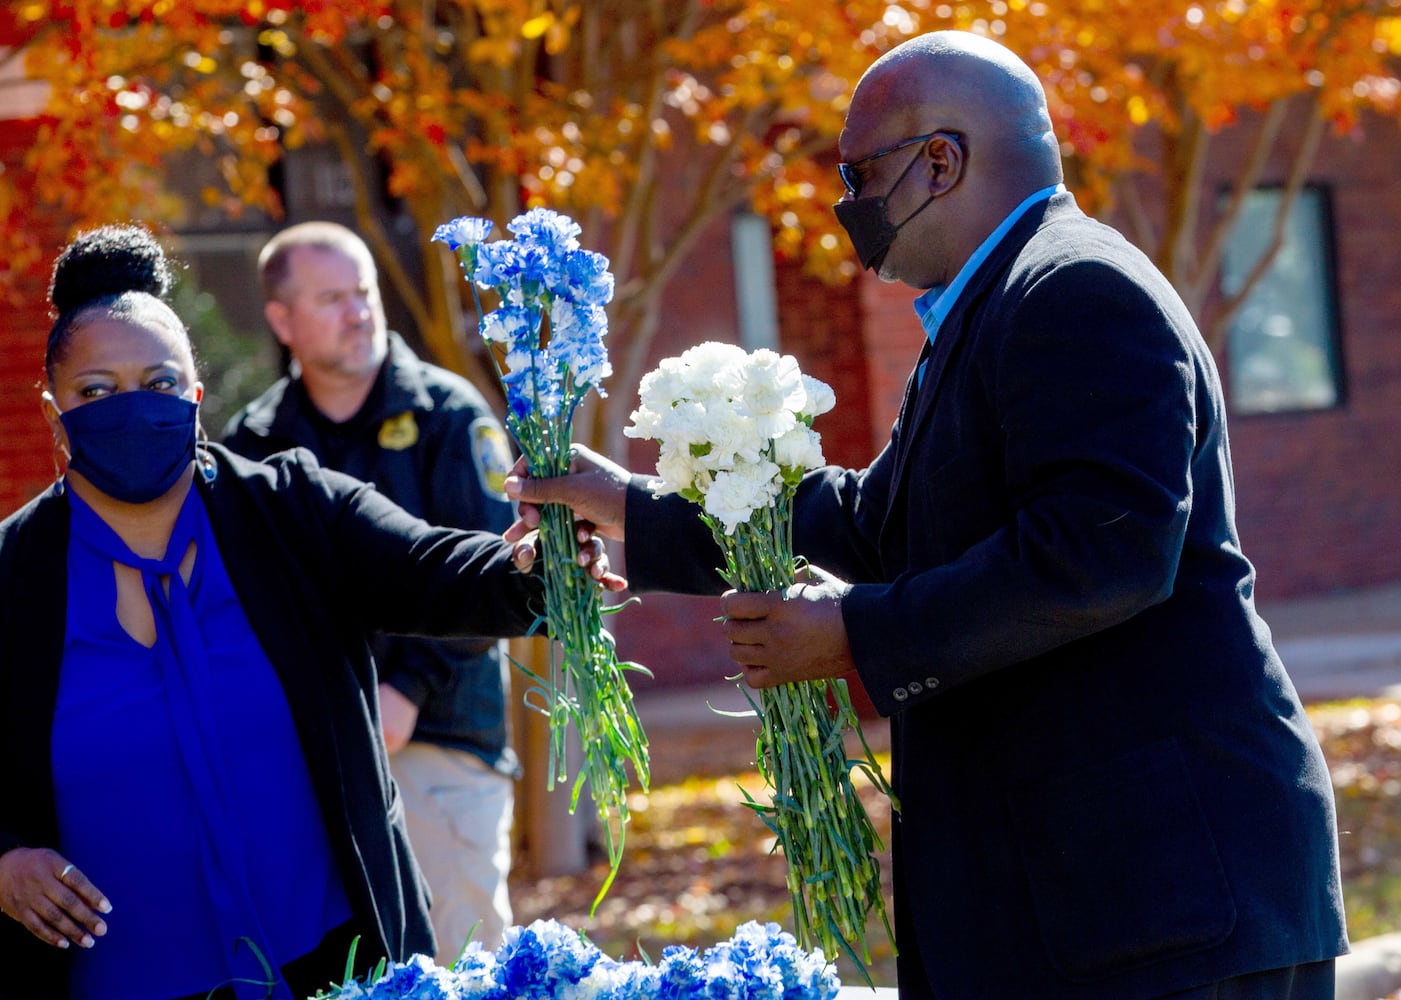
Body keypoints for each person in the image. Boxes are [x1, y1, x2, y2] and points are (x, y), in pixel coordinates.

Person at [505, 30, 1349, 1000]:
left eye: (860, 173)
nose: (846, 207)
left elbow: (1101, 552)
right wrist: (630, 509)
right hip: (1099, 909)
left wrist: (854, 634)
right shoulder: (992, 305)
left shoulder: (1077, 290)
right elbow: (878, 519)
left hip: (1165, 903)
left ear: (940, 161)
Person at [0, 224, 619, 1000]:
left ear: (195, 397)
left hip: (333, 964)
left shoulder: (289, 508)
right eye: (97, 391)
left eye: (159, 384)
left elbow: (434, 567)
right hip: (120, 983)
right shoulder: (12, 574)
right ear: (55, 408)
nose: (133, 409)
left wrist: (540, 569)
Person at [222, 221, 519, 958]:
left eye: (364, 293)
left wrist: (407, 689)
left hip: (442, 739)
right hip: (311, 757)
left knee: (464, 958)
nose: (359, 311)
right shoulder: (253, 446)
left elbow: (497, 575)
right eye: (332, 298)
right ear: (282, 320)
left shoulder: (450, 418)